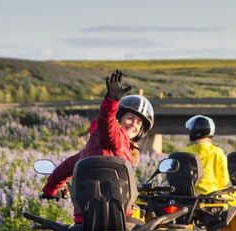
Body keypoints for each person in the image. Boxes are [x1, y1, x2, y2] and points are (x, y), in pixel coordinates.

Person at [41, 70, 154, 220]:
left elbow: (64, 169)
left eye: (139, 122)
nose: (134, 124)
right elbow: (106, 122)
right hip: (118, 218)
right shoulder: (114, 137)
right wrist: (111, 101)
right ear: (119, 118)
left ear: (141, 130)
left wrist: (50, 190)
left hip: (85, 218)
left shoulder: (91, 148)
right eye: (130, 118)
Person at [184, 114, 229, 194]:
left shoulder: (184, 152)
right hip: (213, 197)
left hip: (189, 196)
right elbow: (224, 181)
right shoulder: (218, 152)